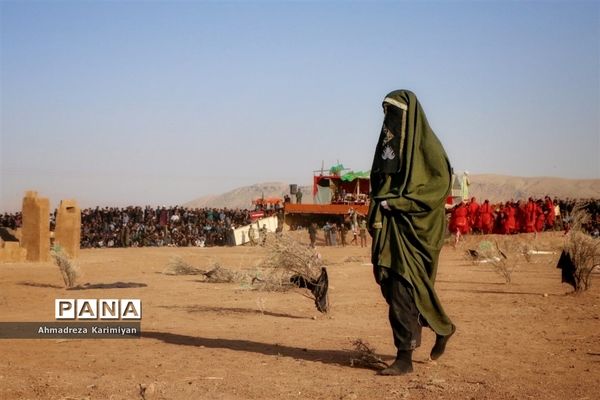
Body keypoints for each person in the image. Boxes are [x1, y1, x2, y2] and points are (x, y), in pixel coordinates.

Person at [368, 90, 455, 375]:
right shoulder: (387, 151)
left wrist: (399, 202)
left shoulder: (430, 151)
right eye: (387, 115)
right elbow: (378, 185)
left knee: (406, 289)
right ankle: (441, 325)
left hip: (417, 232)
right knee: (397, 291)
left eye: (395, 116)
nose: (390, 122)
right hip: (391, 230)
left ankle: (404, 358)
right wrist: (380, 209)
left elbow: (436, 191)